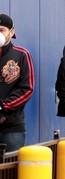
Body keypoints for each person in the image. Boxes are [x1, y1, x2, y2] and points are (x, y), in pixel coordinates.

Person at [0, 14, 35, 152]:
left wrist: (3, 107)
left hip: (12, 128)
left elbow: (27, 89)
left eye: (2, 30)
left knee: (11, 171)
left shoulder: (21, 55)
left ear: (11, 32)